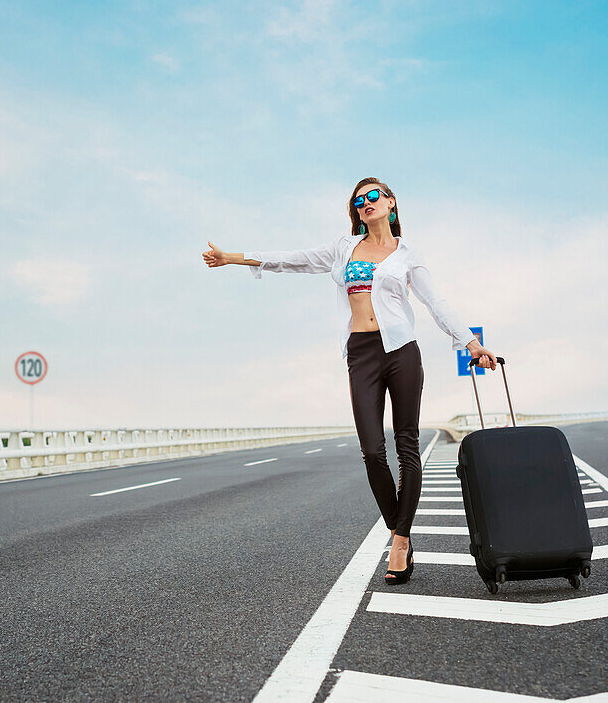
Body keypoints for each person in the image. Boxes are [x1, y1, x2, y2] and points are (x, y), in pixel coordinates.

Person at [201, 177, 498, 585]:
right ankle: (398, 525)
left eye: (374, 196)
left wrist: (470, 342)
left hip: (402, 351)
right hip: (361, 353)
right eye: (359, 201)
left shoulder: (408, 254)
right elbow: (293, 258)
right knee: (373, 451)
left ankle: (400, 540)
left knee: (406, 442)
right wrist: (233, 258)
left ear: (391, 203)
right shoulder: (344, 248)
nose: (366, 204)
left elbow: (435, 303)